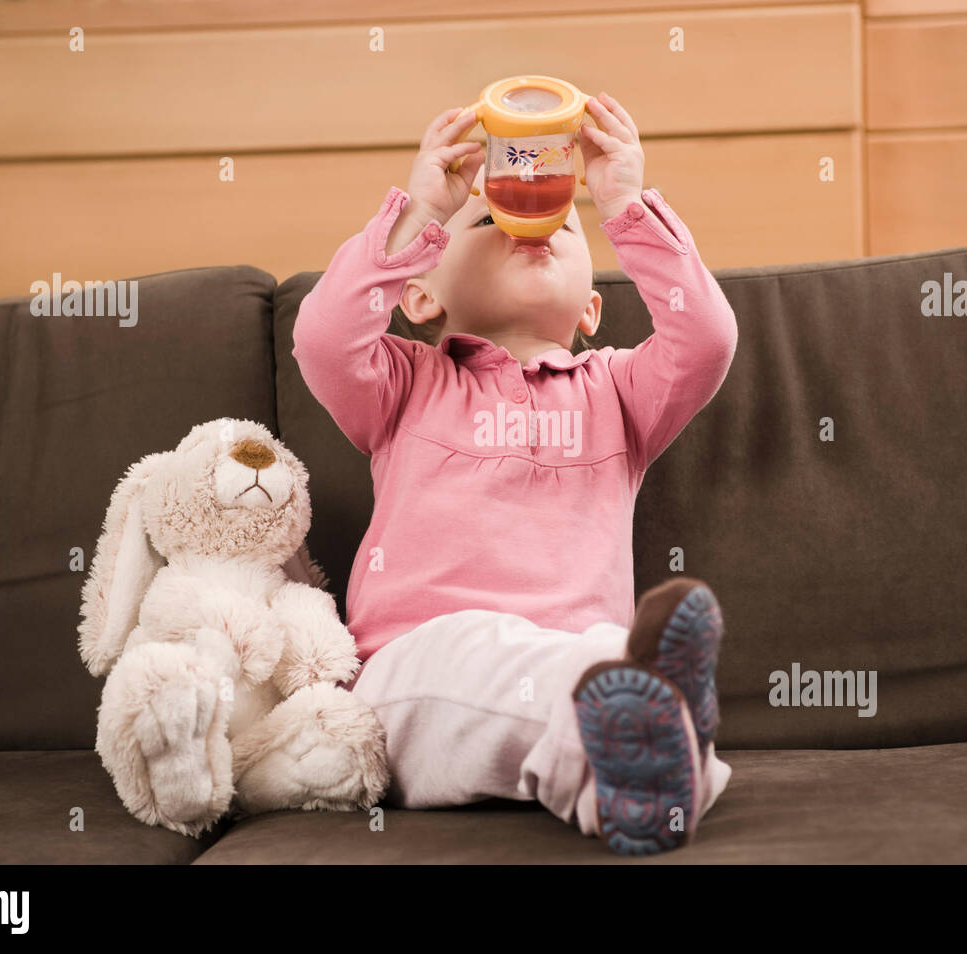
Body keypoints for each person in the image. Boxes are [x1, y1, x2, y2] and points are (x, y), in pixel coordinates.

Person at [291, 92, 738, 855]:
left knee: (601, 658)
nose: (530, 225)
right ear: (422, 294)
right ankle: (642, 737)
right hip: (415, 671)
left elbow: (705, 343)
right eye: (491, 219)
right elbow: (325, 341)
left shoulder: (619, 393)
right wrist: (422, 210)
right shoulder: (406, 383)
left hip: (578, 650)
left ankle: (641, 765)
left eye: (564, 223)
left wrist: (624, 205)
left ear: (592, 309)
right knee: (506, 662)